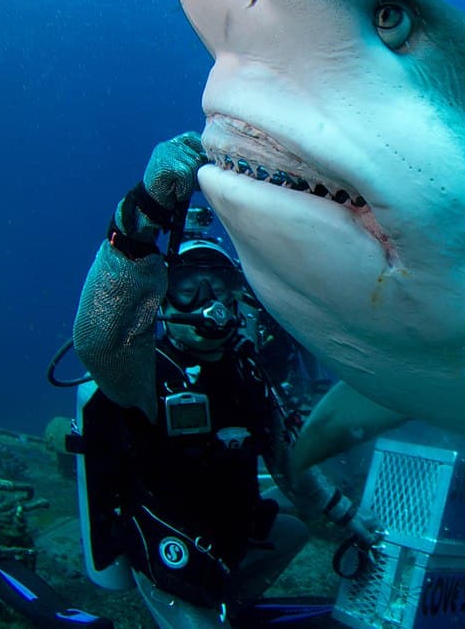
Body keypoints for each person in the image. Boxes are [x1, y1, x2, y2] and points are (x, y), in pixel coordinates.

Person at [71, 132, 380, 628]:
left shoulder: (246, 372)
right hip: (168, 543)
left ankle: (222, 605)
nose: (209, 303)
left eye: (221, 286)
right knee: (187, 586)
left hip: (226, 532)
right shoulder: (143, 373)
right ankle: (191, 608)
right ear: (161, 302)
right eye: (188, 289)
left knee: (290, 532)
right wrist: (144, 210)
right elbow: (98, 338)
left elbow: (291, 466)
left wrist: (348, 521)